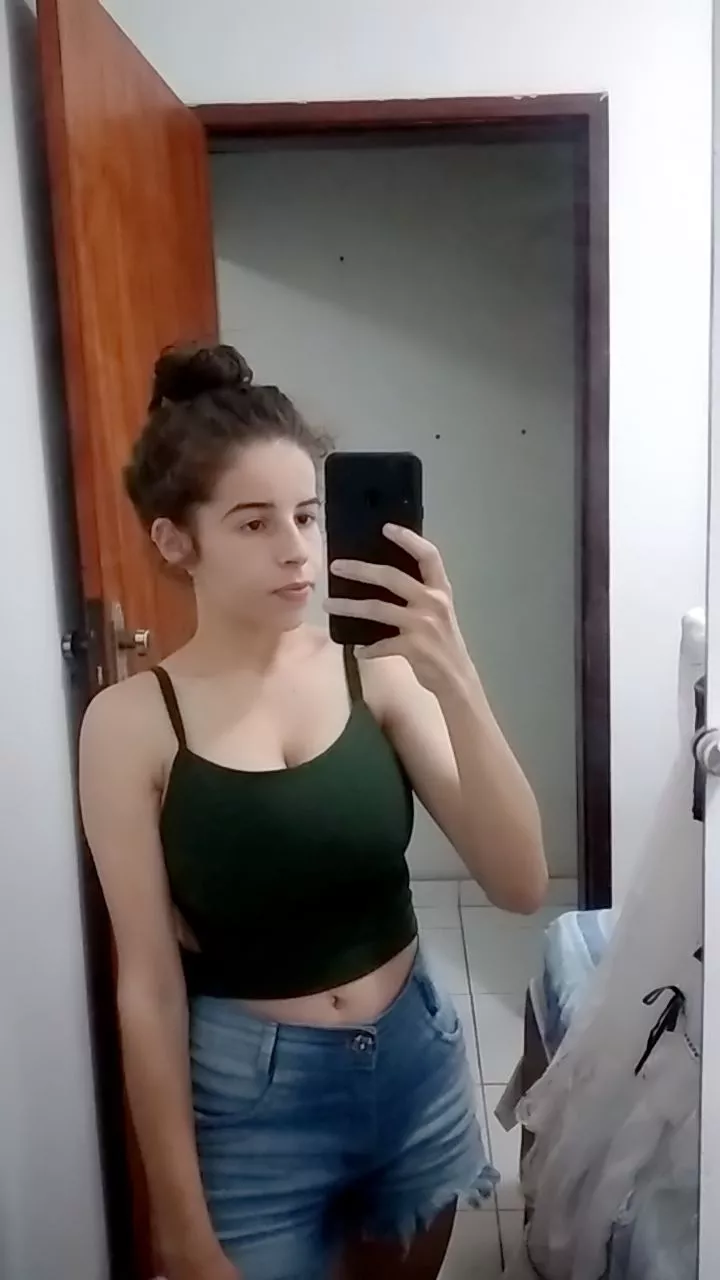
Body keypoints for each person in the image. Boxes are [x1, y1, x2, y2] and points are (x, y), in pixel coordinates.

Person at [79, 343, 548, 1280]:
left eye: (306, 515)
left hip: (415, 1069)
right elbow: (149, 987)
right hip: (253, 1101)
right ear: (176, 540)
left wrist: (454, 672)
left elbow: (521, 882)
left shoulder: (378, 675)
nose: (298, 549)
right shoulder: (130, 723)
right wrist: (179, 1223)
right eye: (254, 522)